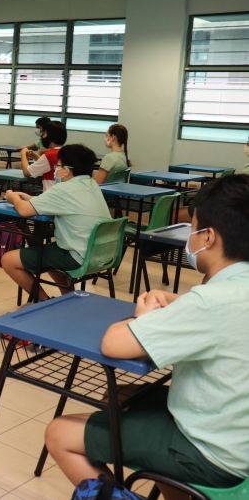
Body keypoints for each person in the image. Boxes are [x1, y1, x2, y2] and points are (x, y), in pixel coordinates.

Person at [45, 174, 249, 497]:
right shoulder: (233, 290)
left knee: (59, 434)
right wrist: (176, 301)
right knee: (118, 398)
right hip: (237, 436)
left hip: (212, 454)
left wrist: (141, 317)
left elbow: (113, 343)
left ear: (208, 237)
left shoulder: (210, 303)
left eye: (193, 229)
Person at [2, 144, 111, 302]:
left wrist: (13, 197)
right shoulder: (92, 185)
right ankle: (66, 299)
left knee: (8, 260)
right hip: (101, 254)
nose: (55, 170)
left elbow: (24, 211)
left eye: (58, 166)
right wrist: (30, 199)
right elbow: (60, 203)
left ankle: (43, 302)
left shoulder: (63, 189)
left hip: (77, 256)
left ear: (67, 169)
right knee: (50, 252)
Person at [20, 120, 67, 191]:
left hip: (51, 196)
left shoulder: (49, 155)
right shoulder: (67, 152)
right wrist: (35, 157)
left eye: (44, 133)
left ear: (51, 135)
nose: (42, 136)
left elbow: (27, 172)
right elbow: (50, 165)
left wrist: (23, 153)